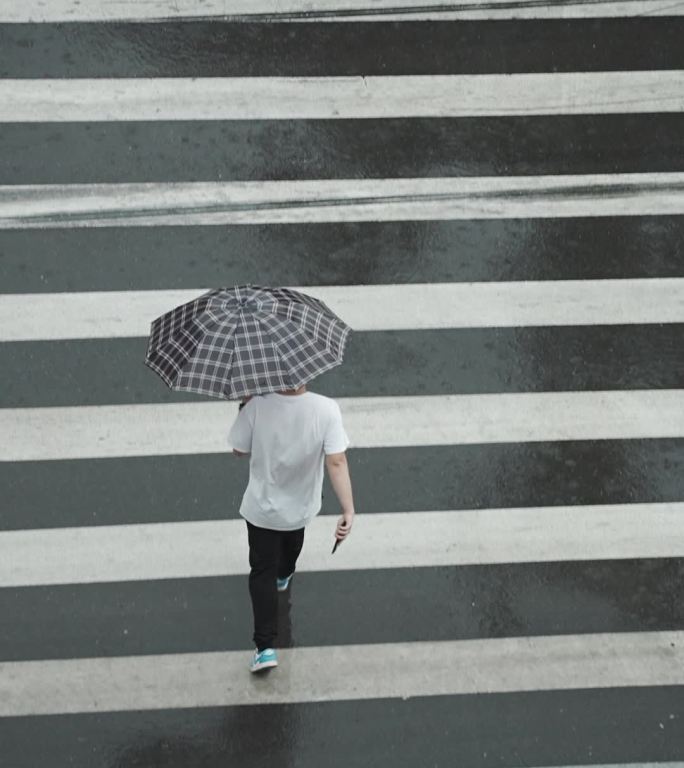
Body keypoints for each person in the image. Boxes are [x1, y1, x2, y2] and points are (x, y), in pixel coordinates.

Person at [228, 384, 355, 673]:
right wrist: (348, 508)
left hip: (262, 511)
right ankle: (284, 575)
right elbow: (336, 461)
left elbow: (238, 449)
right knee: (291, 549)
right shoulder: (326, 409)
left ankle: (264, 648)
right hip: (301, 507)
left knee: (261, 570)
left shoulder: (257, 406)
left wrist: (245, 406)